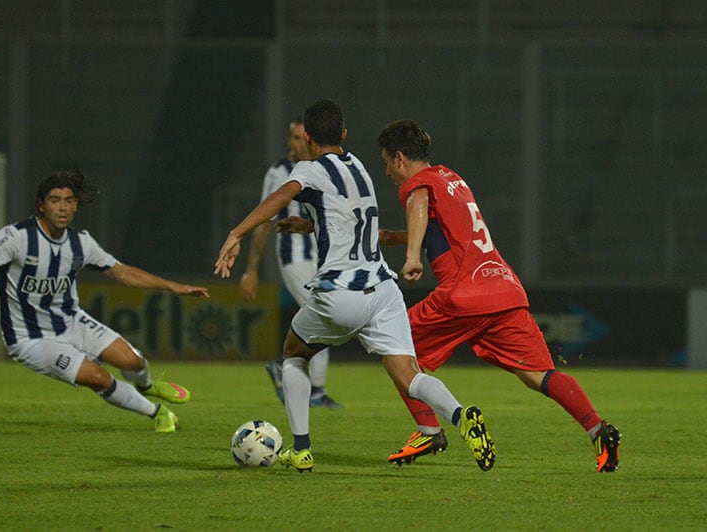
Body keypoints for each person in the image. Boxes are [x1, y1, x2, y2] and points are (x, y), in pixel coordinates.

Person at [215, 99, 495, 473]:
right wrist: (311, 224)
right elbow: (350, 220)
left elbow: (281, 196)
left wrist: (237, 233)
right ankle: (461, 416)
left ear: (309, 137)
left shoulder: (310, 169)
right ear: (344, 135)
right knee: (409, 374)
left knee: (295, 352)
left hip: (339, 294)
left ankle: (301, 449)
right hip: (382, 291)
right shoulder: (360, 167)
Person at [376, 119, 621, 472]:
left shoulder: (418, 184)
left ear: (399, 157)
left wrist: (412, 257)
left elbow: (417, 202)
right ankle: (598, 430)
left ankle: (429, 429)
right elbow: (442, 230)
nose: (386, 171)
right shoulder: (452, 179)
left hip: (463, 293)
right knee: (538, 374)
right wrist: (393, 237)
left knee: (393, 346)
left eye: (386, 161)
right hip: (504, 289)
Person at [0, 170, 210, 433]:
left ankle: (147, 385)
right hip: (30, 338)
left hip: (71, 320)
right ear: (41, 205)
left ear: (76, 205)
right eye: (55, 200)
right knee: (98, 377)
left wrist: (175, 287)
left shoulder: (82, 243)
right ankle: (158, 414)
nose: (62, 207)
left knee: (131, 361)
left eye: (68, 200)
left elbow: (124, 274)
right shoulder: (16, 237)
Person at [239, 118, 342, 409]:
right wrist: (251, 270)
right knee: (323, 314)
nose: (298, 143)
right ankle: (315, 393)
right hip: (293, 258)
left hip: (322, 259)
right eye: (293, 137)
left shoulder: (321, 170)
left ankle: (288, 370)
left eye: (302, 137)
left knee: (325, 316)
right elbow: (264, 222)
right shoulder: (279, 173)